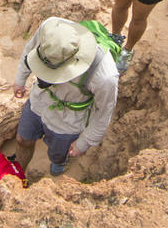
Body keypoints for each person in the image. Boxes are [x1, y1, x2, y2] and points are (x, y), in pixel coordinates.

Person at [13, 17, 118, 175]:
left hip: (67, 122)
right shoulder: (49, 28)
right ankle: (18, 173)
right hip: (39, 99)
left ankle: (59, 162)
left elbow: (103, 114)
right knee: (22, 139)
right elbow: (29, 50)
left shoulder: (104, 76)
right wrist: (20, 79)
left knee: (58, 154)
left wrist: (84, 142)